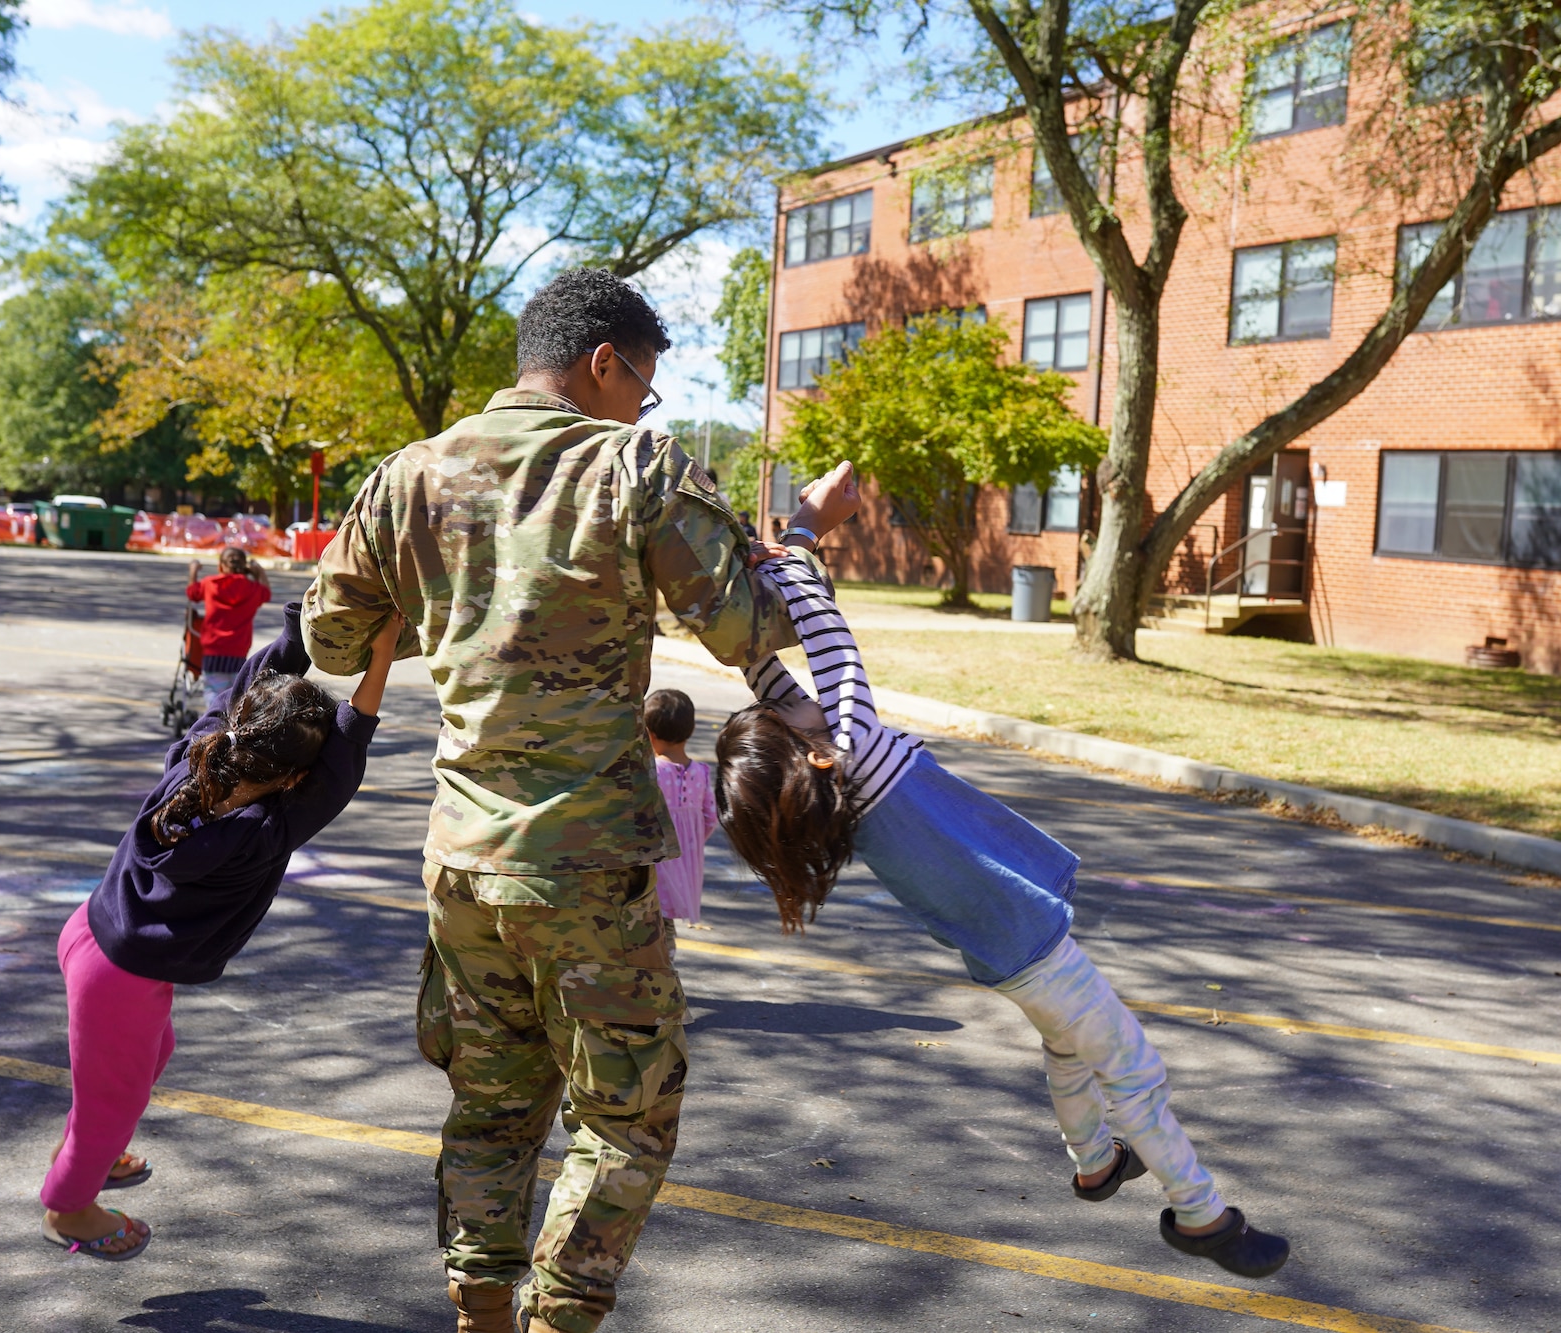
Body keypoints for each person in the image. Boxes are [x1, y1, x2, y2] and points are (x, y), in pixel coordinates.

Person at [300, 267, 858, 1333]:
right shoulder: (635, 465)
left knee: (493, 1104)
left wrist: (452, 608)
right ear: (604, 362)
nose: (642, 407)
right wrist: (805, 537)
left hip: (462, 858)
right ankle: (561, 1312)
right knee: (627, 1112)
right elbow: (746, 630)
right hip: (587, 864)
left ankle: (480, 1306)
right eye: (641, 385)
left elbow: (330, 638)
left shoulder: (405, 475)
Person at [714, 544, 1292, 1281]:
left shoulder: (842, 790)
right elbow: (832, 641)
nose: (799, 691)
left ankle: (1094, 1165)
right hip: (1033, 948)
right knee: (1130, 1066)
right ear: (814, 752)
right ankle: (1201, 1215)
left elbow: (762, 665)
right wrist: (795, 550)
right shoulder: (857, 751)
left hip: (1010, 955)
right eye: (791, 704)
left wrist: (742, 577)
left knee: (1067, 1047)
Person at [38, 604, 400, 1260]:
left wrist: (298, 630)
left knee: (142, 1061)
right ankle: (71, 1207)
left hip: (94, 936)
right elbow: (348, 751)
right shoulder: (264, 832)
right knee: (113, 1097)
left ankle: (94, 1149)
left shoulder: (201, 753)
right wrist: (382, 654)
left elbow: (247, 693)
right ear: (293, 777)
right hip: (120, 972)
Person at [643, 688, 718, 960]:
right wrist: (691, 844)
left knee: (645, 919)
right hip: (684, 862)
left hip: (653, 863)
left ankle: (652, 971)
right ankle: (667, 962)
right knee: (665, 922)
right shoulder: (701, 772)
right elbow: (710, 817)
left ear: (648, 733)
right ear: (692, 729)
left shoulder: (652, 771)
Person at [187, 546, 273, 710]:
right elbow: (266, 593)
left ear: (221, 566)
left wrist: (193, 570)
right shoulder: (252, 588)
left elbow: (192, 593)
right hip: (238, 651)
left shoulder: (210, 583)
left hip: (214, 650)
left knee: (214, 691)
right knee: (236, 695)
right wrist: (259, 572)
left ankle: (212, 723)